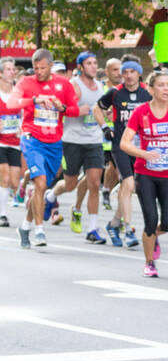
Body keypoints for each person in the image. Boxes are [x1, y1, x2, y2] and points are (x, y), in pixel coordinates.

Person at [118, 71, 168, 276]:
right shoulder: (140, 112)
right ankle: (149, 262)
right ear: (150, 89)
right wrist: (144, 154)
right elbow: (124, 143)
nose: (166, 89)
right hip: (145, 173)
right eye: (161, 85)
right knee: (151, 219)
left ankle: (152, 237)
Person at [7, 49, 80, 248]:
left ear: (50, 66)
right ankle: (39, 230)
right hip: (32, 138)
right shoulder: (26, 83)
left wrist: (61, 107)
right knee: (39, 183)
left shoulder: (63, 84)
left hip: (54, 142)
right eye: (36, 68)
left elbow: (75, 110)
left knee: (42, 187)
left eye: (42, 68)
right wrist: (33, 100)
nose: (38, 72)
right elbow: (12, 103)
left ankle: (25, 225)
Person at [56, 52, 107, 243]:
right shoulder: (74, 86)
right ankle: (51, 196)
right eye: (89, 63)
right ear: (80, 67)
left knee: (94, 183)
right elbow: (62, 109)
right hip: (73, 140)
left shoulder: (100, 86)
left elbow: (99, 109)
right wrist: (79, 110)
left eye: (95, 62)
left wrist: (104, 113)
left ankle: (92, 229)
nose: (94, 66)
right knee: (70, 184)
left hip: (94, 140)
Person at [98, 59, 149, 249]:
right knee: (128, 184)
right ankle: (128, 230)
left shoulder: (147, 93)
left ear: (138, 74)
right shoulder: (115, 92)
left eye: (131, 72)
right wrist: (105, 128)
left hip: (140, 146)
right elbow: (98, 108)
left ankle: (113, 224)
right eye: (124, 72)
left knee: (128, 189)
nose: (127, 75)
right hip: (120, 145)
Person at [0, 57, 23, 227]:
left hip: (14, 141)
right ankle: (2, 214)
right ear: (1, 74)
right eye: (8, 69)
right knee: (5, 177)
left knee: (15, 181)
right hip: (0, 142)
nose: (12, 72)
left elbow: (24, 115)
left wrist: (22, 128)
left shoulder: (18, 92)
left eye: (13, 69)